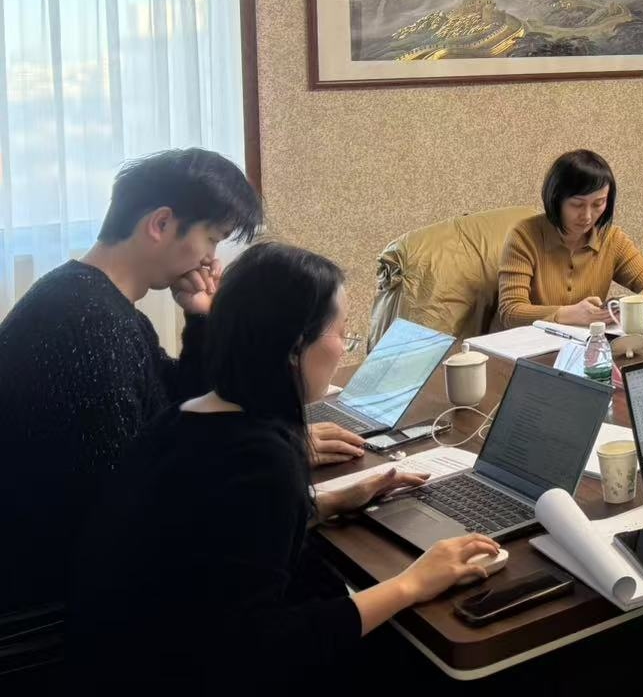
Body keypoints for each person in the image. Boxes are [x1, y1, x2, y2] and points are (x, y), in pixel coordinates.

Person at [72, 242, 501, 690]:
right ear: (296, 348)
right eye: (341, 333)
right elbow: (259, 649)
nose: (343, 349)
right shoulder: (261, 461)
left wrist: (329, 502)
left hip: (115, 658)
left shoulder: (185, 419)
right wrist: (412, 583)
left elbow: (218, 536)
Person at [0, 149, 365, 614]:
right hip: (62, 594)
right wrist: (274, 462)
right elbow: (137, 497)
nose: (211, 260)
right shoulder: (87, 325)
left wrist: (201, 319)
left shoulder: (88, 298)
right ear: (161, 224)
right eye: (211, 239)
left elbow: (175, 408)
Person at [497, 149, 643, 328]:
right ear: (556, 199)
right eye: (577, 204)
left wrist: (630, 306)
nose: (587, 216)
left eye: (598, 203)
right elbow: (510, 311)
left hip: (587, 340)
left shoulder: (611, 238)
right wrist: (565, 314)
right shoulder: (524, 236)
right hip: (531, 342)